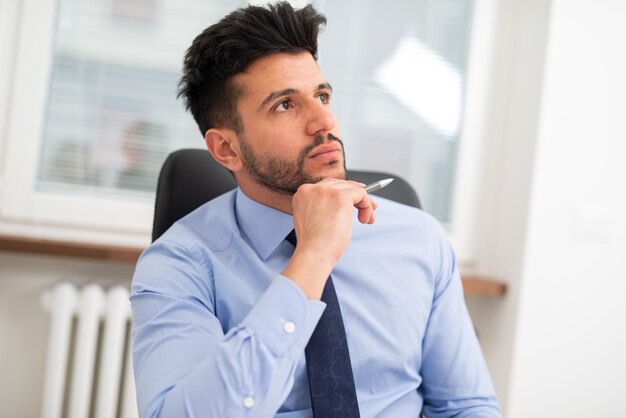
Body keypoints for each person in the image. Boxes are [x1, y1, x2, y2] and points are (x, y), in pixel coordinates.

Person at [130, 2, 502, 417]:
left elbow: (465, 406)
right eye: (285, 105)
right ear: (226, 148)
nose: (323, 121)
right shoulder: (179, 264)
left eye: (322, 95)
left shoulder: (419, 239)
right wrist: (312, 257)